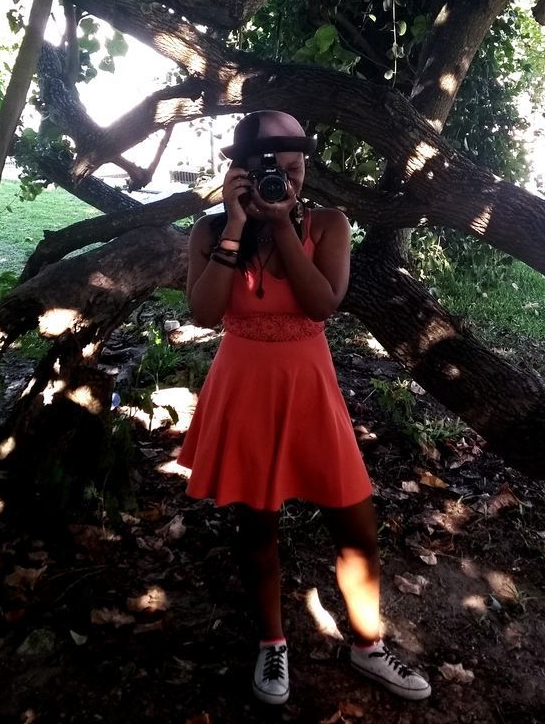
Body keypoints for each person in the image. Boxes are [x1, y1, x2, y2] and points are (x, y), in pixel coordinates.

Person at [178, 110, 431, 706]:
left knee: (356, 524)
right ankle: (272, 643)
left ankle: (368, 645)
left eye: (295, 170)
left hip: (310, 390)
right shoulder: (210, 232)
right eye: (272, 171)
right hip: (243, 389)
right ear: (239, 172)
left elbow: (322, 305)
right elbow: (203, 313)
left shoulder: (328, 224)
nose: (285, 182)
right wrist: (238, 225)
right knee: (256, 529)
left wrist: (283, 223)